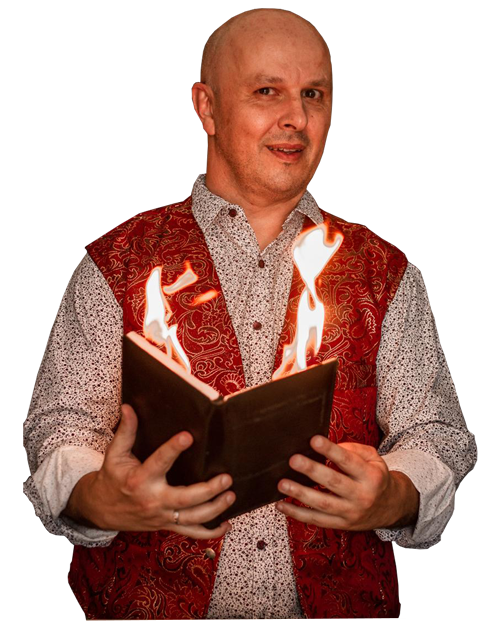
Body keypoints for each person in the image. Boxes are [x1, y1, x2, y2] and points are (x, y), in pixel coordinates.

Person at [23, 9, 476, 620]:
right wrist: (99, 496)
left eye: (313, 94)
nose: (297, 118)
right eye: (267, 91)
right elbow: (60, 432)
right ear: (206, 108)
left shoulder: (385, 273)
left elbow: (437, 436)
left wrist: (394, 494)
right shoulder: (117, 264)